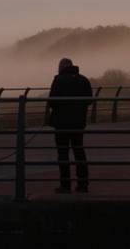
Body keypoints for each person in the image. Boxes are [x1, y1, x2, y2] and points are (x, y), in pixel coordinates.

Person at [47, 58, 93, 193]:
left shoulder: (59, 80)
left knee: (63, 153)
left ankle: (65, 185)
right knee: (79, 151)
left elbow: (52, 101)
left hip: (61, 123)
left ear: (60, 67)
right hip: (79, 122)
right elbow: (89, 101)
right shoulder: (83, 80)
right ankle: (83, 184)